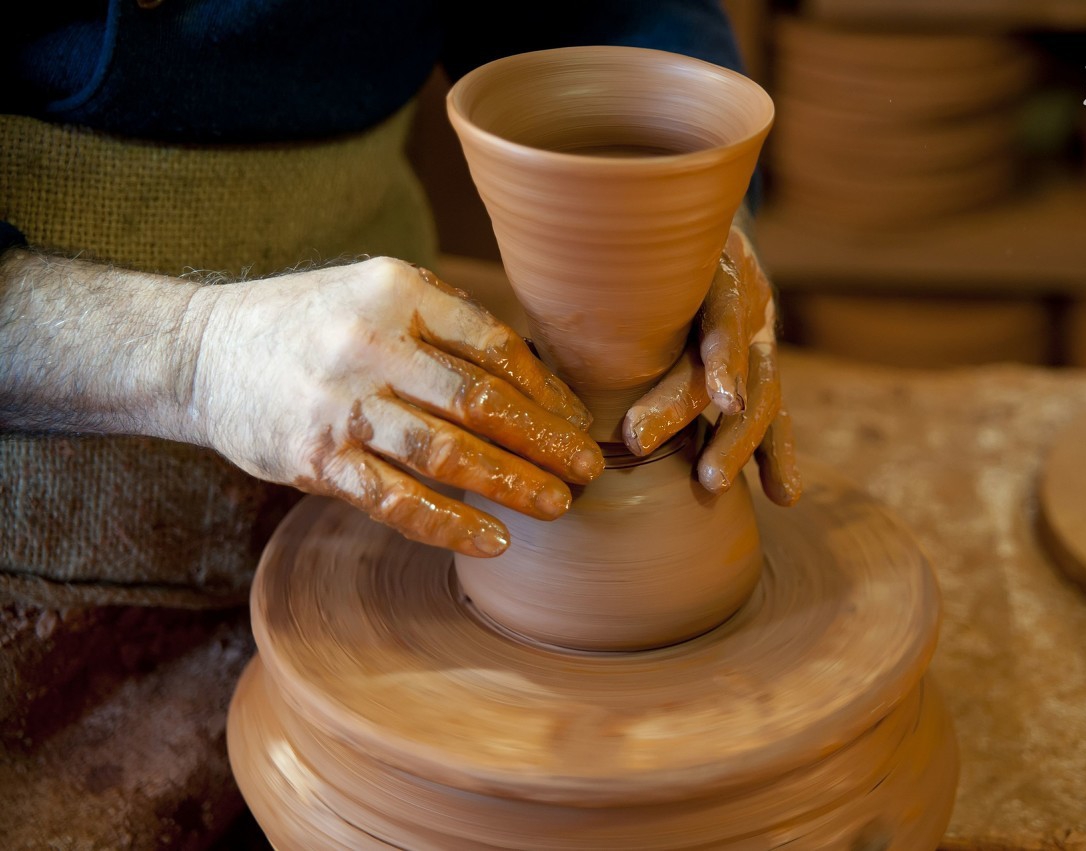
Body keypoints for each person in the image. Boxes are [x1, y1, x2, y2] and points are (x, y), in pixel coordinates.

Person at [0, 1, 799, 597]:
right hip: (53, 435)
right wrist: (198, 353)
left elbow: (619, 12)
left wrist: (696, 225)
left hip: (402, 405)